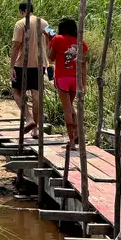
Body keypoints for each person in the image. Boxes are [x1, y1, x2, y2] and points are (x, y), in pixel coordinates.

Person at [47, 17, 88, 148]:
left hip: (62, 79)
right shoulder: (80, 41)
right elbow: (83, 64)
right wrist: (84, 83)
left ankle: (72, 141)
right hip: (75, 79)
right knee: (70, 107)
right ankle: (77, 137)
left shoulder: (57, 39)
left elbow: (51, 57)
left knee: (67, 110)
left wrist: (50, 40)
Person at [11, 2, 49, 135]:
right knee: (36, 94)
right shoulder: (44, 23)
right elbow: (53, 36)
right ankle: (36, 129)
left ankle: (29, 118)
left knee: (16, 92)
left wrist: (11, 67)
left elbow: (16, 46)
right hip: (40, 63)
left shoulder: (20, 24)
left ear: (22, 11)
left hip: (23, 63)